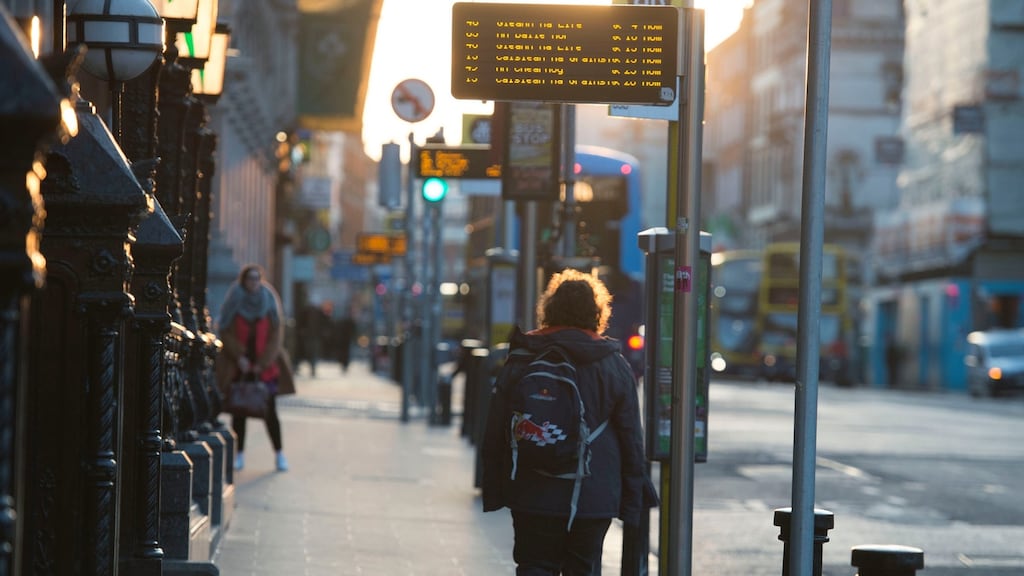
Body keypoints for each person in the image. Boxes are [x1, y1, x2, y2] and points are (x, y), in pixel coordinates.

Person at [481, 268, 658, 575]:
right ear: (597, 312)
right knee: (583, 567)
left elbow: (496, 427)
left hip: (531, 490)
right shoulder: (613, 365)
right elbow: (631, 438)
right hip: (592, 494)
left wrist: (496, 489)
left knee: (534, 564)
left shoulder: (523, 357)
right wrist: (631, 504)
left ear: (549, 309)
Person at [215, 265, 295, 472]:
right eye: (250, 278)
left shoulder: (268, 299)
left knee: (270, 411)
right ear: (243, 280)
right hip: (238, 366)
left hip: (264, 367)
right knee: (239, 410)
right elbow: (225, 330)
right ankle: (239, 454)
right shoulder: (235, 299)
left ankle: (279, 454)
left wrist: (262, 362)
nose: (254, 282)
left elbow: (276, 335)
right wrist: (239, 356)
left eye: (257, 278)